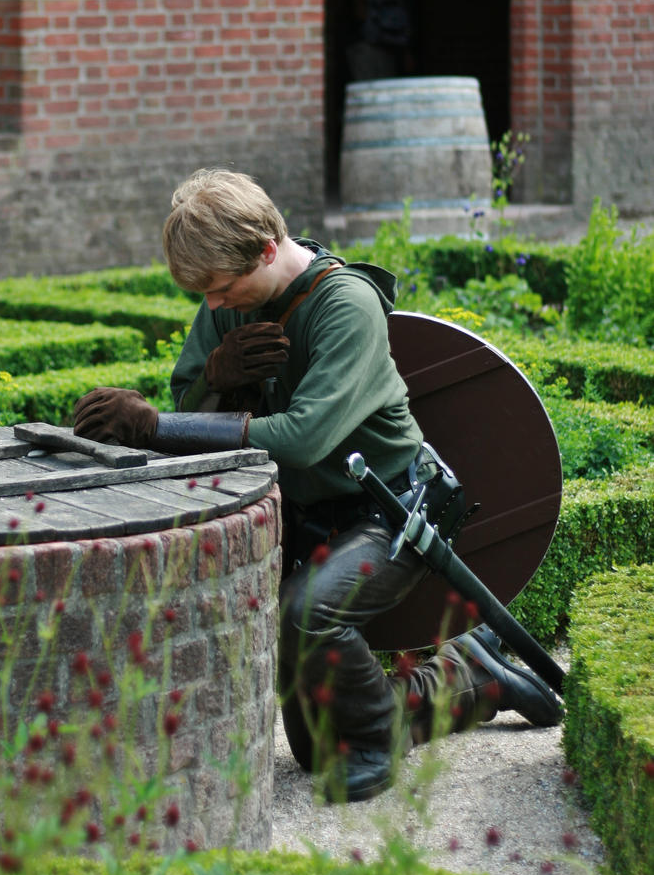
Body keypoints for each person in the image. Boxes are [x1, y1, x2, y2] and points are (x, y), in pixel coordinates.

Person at [72, 168, 562, 802]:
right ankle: (469, 678)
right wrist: (215, 379)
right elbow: (189, 398)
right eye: (206, 295)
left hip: (394, 511)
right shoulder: (228, 304)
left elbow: (304, 438)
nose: (215, 306)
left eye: (223, 289)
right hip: (309, 518)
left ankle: (376, 744)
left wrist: (156, 425)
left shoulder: (345, 306)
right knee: (312, 751)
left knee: (304, 612)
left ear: (268, 249)